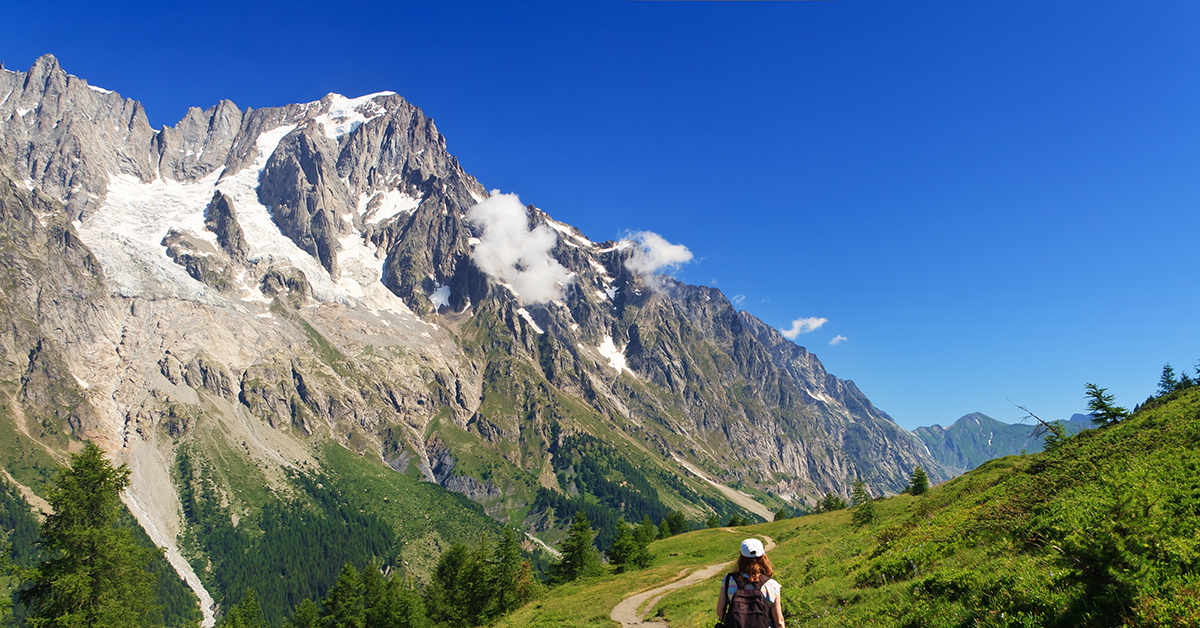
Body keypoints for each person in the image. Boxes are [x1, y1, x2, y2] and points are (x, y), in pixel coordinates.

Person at [716, 538, 784, 628]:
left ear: (741, 556)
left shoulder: (729, 581)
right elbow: (779, 621)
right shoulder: (772, 585)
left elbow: (720, 611)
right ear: (763, 556)